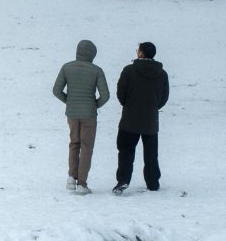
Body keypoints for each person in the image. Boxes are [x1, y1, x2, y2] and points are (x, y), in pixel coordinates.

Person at [52, 40, 110, 194]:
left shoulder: (66, 67)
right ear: (92, 54)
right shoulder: (97, 70)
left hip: (72, 113)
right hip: (89, 115)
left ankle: (71, 177)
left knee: (74, 143)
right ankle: (82, 184)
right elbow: (105, 95)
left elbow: (56, 90)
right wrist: (94, 105)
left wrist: (70, 102)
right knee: (86, 147)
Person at [113, 42, 169, 194]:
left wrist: (127, 104)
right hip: (150, 121)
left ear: (142, 53)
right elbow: (164, 97)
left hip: (129, 120)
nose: (137, 52)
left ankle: (123, 180)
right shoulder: (162, 74)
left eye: (138, 50)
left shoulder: (129, 70)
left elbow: (121, 92)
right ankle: (152, 182)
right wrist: (153, 108)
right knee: (151, 154)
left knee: (125, 151)